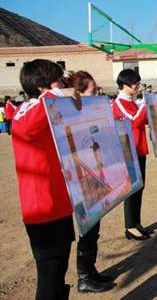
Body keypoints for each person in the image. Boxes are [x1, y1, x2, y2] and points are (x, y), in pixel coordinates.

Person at [11, 59, 79, 300]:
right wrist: (59, 93)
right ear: (43, 88)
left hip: (59, 205)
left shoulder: (48, 108)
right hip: (42, 209)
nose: (63, 85)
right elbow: (27, 126)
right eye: (58, 81)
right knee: (49, 278)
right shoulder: (26, 111)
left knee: (59, 272)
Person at [65, 71, 115, 293]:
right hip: (84, 180)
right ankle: (84, 277)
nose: (97, 95)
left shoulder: (89, 114)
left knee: (94, 228)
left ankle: (90, 270)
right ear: (78, 94)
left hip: (96, 176)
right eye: (93, 91)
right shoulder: (71, 118)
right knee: (88, 228)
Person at [111, 69, 151, 241]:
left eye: (137, 83)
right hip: (128, 152)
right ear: (124, 85)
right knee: (131, 190)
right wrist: (144, 105)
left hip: (139, 149)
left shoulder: (133, 102)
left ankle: (136, 222)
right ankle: (129, 226)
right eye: (134, 83)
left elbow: (143, 119)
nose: (137, 86)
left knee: (139, 188)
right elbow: (134, 121)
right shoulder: (118, 103)